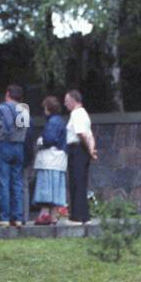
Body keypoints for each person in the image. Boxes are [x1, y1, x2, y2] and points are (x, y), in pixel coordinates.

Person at [0, 84, 30, 227]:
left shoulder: (0, 108)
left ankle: (4, 218)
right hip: (19, 146)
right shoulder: (24, 109)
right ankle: (18, 217)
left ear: (8, 93)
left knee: (3, 182)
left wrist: (1, 137)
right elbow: (23, 129)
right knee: (17, 183)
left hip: (5, 146)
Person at [32, 95, 68, 225]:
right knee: (55, 188)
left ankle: (44, 214)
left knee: (46, 187)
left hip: (49, 159)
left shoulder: (52, 122)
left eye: (44, 108)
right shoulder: (60, 120)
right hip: (59, 159)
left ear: (48, 108)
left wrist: (41, 140)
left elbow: (49, 139)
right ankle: (53, 216)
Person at [64, 89, 97, 224]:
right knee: (81, 182)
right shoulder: (84, 114)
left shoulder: (76, 114)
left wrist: (89, 150)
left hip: (77, 149)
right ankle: (83, 215)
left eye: (66, 101)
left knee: (76, 182)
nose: (65, 104)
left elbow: (81, 134)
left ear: (73, 100)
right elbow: (90, 135)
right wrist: (91, 149)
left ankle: (77, 216)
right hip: (82, 150)